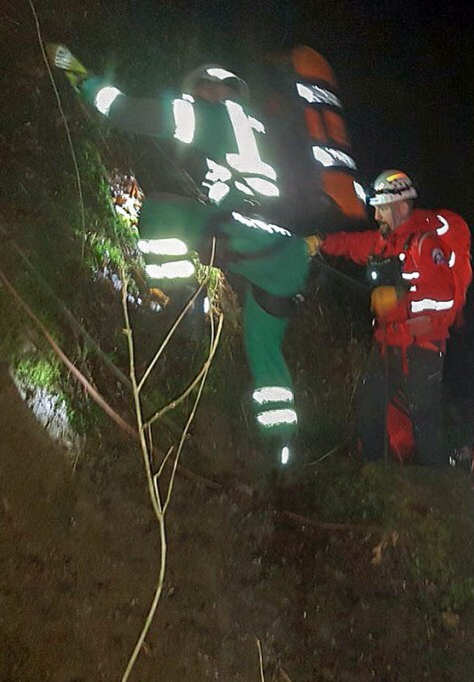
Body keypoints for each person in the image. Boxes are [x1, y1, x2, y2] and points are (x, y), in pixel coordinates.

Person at [51, 46, 311, 467]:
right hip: (291, 257)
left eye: (201, 88)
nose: (197, 94)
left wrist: (84, 81)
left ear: (211, 88)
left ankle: (180, 304)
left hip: (246, 233)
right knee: (264, 348)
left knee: (158, 212)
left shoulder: (207, 114)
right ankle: (283, 449)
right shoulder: (259, 128)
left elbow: (127, 112)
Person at [306, 170, 471, 467]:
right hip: (388, 344)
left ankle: (438, 486)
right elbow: (352, 244)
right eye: (376, 209)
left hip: (423, 348)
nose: (377, 215)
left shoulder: (425, 245)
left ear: (402, 207)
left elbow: (443, 295)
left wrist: (399, 298)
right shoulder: (382, 241)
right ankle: (375, 471)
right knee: (369, 407)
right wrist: (321, 241)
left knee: (425, 420)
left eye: (382, 208)